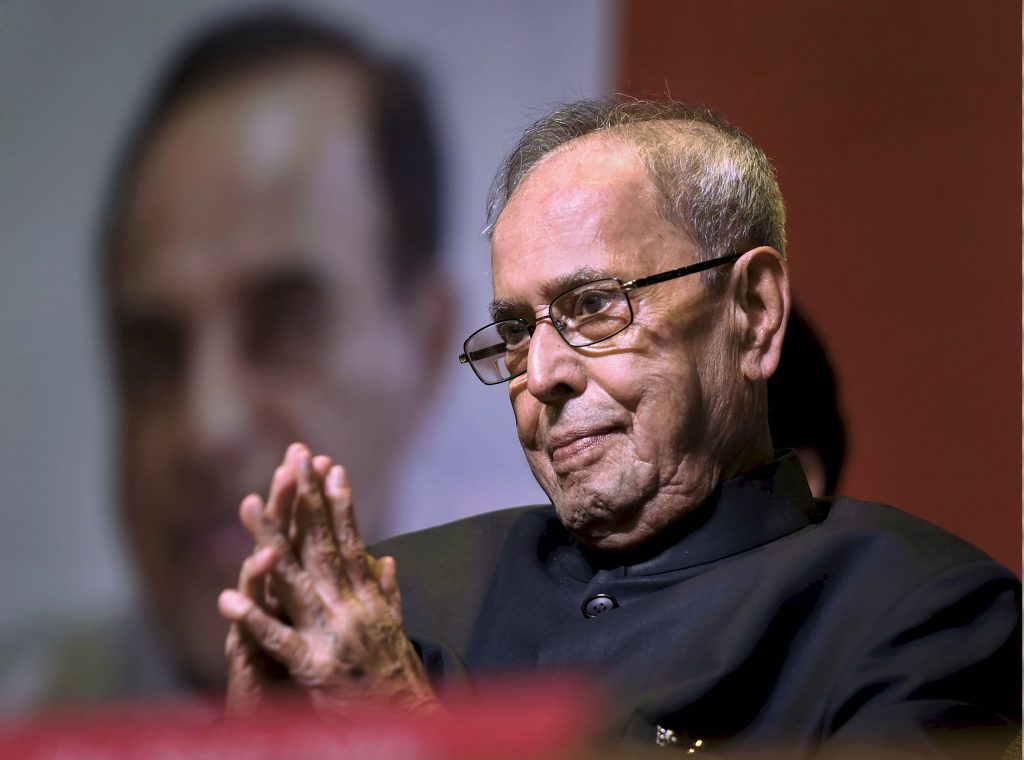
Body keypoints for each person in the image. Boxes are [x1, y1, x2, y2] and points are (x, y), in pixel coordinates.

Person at [218, 99, 1020, 756]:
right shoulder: (403, 596)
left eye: (594, 306)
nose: (541, 374)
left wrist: (408, 727)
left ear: (753, 313)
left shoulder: (917, 612)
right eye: (516, 330)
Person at [1, 10, 451, 708]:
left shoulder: (571, 722)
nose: (205, 428)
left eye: (284, 327)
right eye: (153, 355)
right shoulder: (26, 720)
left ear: (426, 346)